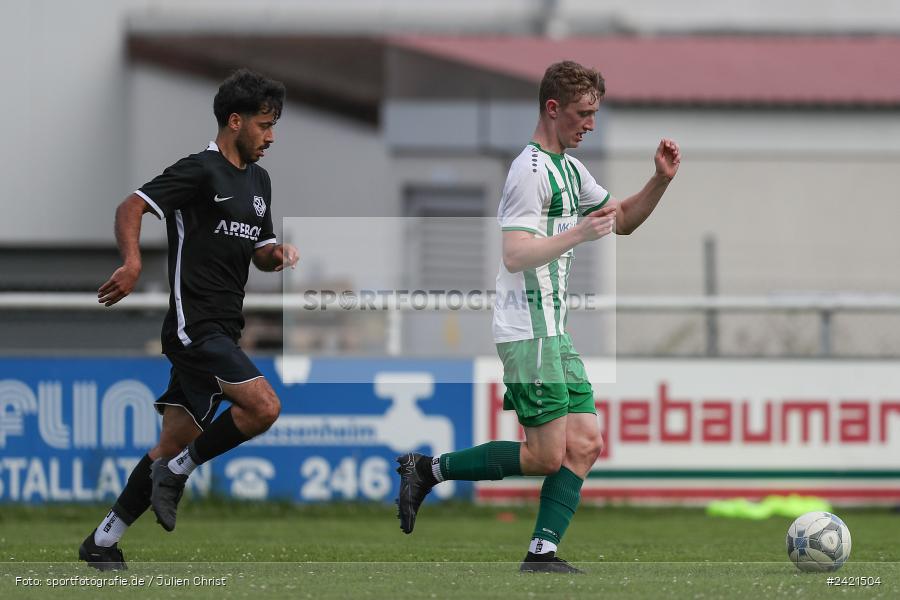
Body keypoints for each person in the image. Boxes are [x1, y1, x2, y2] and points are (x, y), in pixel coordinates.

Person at [395, 60, 681, 573]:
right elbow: (514, 254)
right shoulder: (528, 171)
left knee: (587, 444)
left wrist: (658, 181)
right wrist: (578, 234)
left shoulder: (571, 170)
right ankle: (427, 470)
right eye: (582, 113)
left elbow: (623, 222)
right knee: (547, 455)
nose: (590, 123)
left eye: (594, 112)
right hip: (527, 331)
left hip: (555, 331)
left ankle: (541, 554)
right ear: (553, 109)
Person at [79, 69, 299, 571]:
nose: (271, 136)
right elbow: (132, 206)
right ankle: (178, 474)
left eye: (274, 125)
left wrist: (275, 254)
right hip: (192, 327)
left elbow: (258, 251)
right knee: (264, 407)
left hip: (224, 329)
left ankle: (103, 540)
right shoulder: (199, 171)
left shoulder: (259, 181)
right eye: (265, 125)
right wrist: (133, 263)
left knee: (171, 443)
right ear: (234, 121)